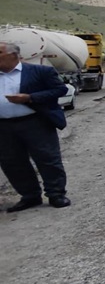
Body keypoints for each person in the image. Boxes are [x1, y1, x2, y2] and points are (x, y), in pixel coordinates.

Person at [0, 42, 70, 212]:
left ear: (13, 55)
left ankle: (56, 194)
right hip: (4, 126)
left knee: (47, 158)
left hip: (35, 121)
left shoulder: (39, 71)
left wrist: (30, 97)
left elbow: (60, 90)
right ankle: (30, 196)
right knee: (12, 162)